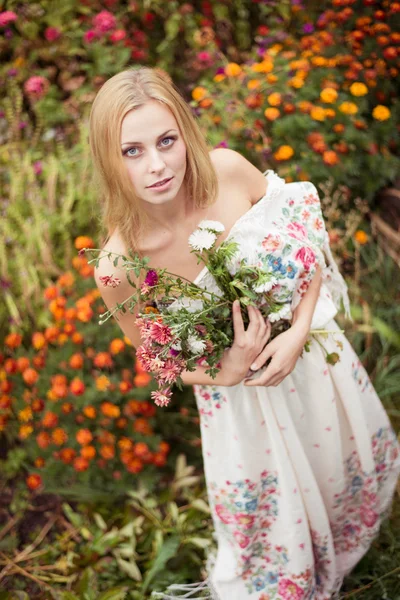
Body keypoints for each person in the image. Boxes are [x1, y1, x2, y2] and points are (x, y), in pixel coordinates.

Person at [89, 66, 400, 600]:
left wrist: (299, 329)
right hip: (242, 405)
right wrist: (225, 370)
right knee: (275, 510)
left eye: (167, 140)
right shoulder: (119, 267)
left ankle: (354, 524)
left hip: (312, 362)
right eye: (132, 151)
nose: (158, 164)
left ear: (185, 132)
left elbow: (305, 249)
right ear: (108, 160)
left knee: (333, 462)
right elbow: (153, 357)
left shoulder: (230, 173)